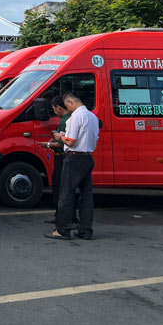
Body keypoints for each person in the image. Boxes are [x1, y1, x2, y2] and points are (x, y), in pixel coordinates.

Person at [45, 92, 99, 241]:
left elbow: (70, 142)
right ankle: (85, 230)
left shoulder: (75, 117)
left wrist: (60, 137)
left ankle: (63, 230)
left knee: (66, 195)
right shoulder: (93, 117)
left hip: (74, 158)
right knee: (86, 196)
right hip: (88, 157)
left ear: (70, 103)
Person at [43, 95, 76, 226]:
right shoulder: (69, 118)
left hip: (62, 157)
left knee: (60, 189)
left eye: (54, 108)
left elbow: (64, 143)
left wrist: (48, 145)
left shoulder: (65, 121)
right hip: (65, 156)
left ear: (58, 107)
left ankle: (64, 218)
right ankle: (63, 216)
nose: (53, 111)